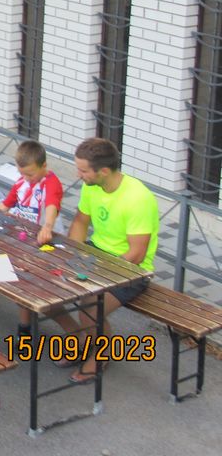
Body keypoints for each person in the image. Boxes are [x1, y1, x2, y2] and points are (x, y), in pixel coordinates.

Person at [52, 138, 158, 384]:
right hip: (96, 254)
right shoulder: (92, 185)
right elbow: (80, 222)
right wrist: (72, 256)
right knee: (45, 285)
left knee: (91, 311)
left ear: (104, 171)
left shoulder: (138, 198)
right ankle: (79, 336)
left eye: (83, 171)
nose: (78, 175)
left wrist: (97, 276)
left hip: (131, 269)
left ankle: (100, 357)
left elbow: (137, 254)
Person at [0, 140, 63, 335]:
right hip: (24, 239)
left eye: (30, 174)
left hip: (46, 241)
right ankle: (24, 329)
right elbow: (7, 203)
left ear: (44, 166)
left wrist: (47, 227)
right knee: (22, 284)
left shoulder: (51, 183)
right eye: (22, 173)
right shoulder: (22, 182)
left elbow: (52, 205)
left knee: (37, 290)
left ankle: (73, 330)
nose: (26, 178)